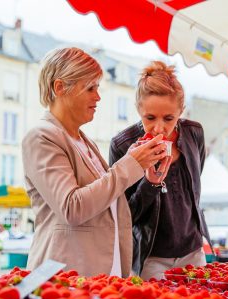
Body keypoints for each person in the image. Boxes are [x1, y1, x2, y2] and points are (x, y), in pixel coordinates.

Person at [22, 47, 168, 277]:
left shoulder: (83, 140)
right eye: (90, 88)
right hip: (67, 279)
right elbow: (72, 207)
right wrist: (130, 164)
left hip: (100, 276)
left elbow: (104, 199)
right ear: (60, 87)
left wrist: (139, 165)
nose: (98, 97)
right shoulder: (42, 137)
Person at [109, 61, 212, 280]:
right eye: (150, 118)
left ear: (180, 112)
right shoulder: (122, 144)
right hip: (152, 256)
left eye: (169, 119)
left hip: (193, 251)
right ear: (139, 110)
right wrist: (151, 183)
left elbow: (194, 185)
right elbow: (125, 214)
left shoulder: (194, 133)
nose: (159, 128)